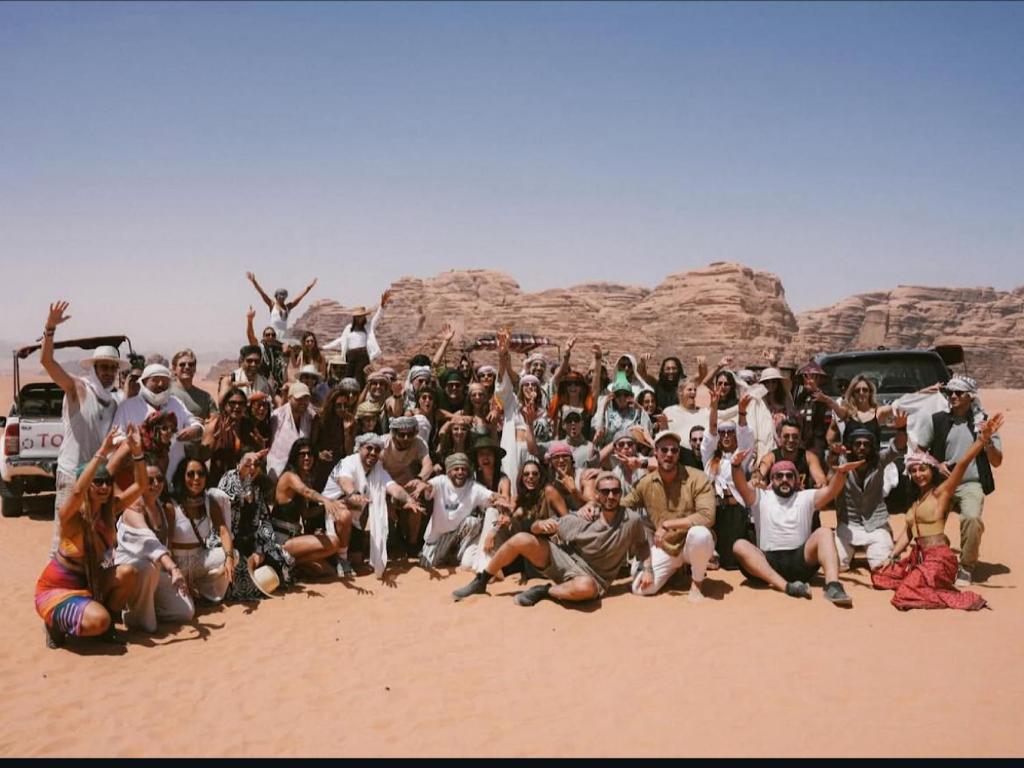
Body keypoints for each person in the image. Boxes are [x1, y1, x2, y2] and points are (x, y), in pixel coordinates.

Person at [452, 472, 651, 607]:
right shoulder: (583, 517)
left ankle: (545, 591)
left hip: (594, 579)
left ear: (620, 493)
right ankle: (482, 580)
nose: (611, 496)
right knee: (521, 538)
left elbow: (643, 544)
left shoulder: (631, 520)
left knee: (586, 587)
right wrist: (540, 525)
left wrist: (647, 568)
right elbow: (538, 527)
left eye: (615, 491)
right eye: (605, 491)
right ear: (597, 495)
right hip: (564, 561)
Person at [870, 413, 1003, 611]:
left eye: (922, 469)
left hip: (940, 558)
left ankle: (959, 596)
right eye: (914, 471)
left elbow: (962, 463)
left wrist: (982, 440)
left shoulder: (941, 493)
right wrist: (892, 557)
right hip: (919, 556)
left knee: (904, 594)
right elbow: (908, 533)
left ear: (932, 470)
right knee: (880, 575)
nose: (918, 475)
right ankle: (921, 579)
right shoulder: (915, 502)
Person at [35, 427, 145, 648]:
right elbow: (76, 492)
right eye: (97, 482)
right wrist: (102, 452)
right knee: (99, 620)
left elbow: (141, 486)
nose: (104, 486)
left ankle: (106, 628)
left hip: (91, 583)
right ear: (87, 486)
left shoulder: (108, 511)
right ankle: (54, 624)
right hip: (58, 590)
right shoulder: (70, 518)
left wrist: (138, 453)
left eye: (107, 481)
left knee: (128, 573)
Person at [41, 302, 126, 556]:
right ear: (94, 368)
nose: (109, 372)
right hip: (71, 478)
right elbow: (47, 362)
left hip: (97, 482)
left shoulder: (114, 403)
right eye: (104, 367)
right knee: (64, 541)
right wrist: (50, 328)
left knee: (92, 542)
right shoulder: (78, 389)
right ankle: (54, 592)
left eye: (113, 367)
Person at [729, 450, 863, 605]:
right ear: (772, 480)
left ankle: (833, 586)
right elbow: (741, 486)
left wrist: (842, 473)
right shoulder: (761, 497)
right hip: (767, 563)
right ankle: (787, 587)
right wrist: (736, 465)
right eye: (779, 476)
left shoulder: (806, 496)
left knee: (825, 532)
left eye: (789, 475)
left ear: (796, 480)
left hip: (800, 562)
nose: (784, 479)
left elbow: (831, 491)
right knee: (739, 546)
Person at [914, 376, 1003, 586]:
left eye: (958, 393)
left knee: (972, 520)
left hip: (970, 483)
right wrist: (936, 465)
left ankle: (966, 566)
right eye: (949, 393)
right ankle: (931, 560)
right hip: (942, 483)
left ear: (970, 397)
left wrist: (987, 441)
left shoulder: (984, 423)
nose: (952, 396)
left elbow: (997, 461)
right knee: (928, 520)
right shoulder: (937, 420)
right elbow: (919, 451)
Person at [617, 431, 716, 601]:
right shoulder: (646, 483)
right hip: (665, 546)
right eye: (664, 450)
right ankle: (675, 571)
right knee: (641, 589)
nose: (669, 454)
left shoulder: (697, 478)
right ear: (655, 452)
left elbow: (707, 517)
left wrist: (667, 525)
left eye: (674, 450)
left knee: (700, 534)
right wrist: (590, 504)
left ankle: (696, 584)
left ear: (679, 453)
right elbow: (622, 506)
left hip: (689, 544)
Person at [322, 433, 424, 579]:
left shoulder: (378, 470)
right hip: (328, 515)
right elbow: (345, 480)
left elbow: (393, 487)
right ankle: (342, 559)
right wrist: (353, 493)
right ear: (359, 448)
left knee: (360, 564)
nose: (373, 453)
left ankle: (340, 556)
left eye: (377, 450)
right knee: (345, 513)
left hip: (353, 521)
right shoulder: (348, 462)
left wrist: (408, 499)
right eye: (368, 448)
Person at [113, 455, 194, 631]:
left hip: (157, 572)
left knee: (185, 612)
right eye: (149, 480)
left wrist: (175, 574)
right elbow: (150, 542)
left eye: (159, 479)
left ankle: (148, 607)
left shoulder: (163, 508)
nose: (156, 484)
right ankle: (135, 617)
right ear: (139, 482)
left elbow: (168, 543)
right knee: (148, 567)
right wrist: (173, 568)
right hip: (134, 572)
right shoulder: (133, 509)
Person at [831, 414, 909, 572]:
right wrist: (834, 453)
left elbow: (897, 448)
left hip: (875, 525)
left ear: (871, 447)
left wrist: (901, 428)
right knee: (837, 566)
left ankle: (880, 544)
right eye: (857, 444)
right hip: (848, 525)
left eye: (866, 445)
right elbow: (830, 466)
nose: (861, 448)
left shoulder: (879, 460)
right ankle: (849, 554)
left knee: (881, 569)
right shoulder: (843, 462)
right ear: (851, 446)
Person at [218, 452, 295, 599]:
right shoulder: (229, 479)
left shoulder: (258, 490)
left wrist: (260, 550)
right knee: (242, 584)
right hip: (230, 544)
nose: (252, 468)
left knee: (280, 559)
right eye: (248, 464)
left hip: (253, 543)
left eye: (256, 465)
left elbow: (265, 521)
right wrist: (241, 472)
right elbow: (225, 494)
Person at [271, 439, 351, 579]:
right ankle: (285, 563)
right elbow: (306, 492)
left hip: (295, 536)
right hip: (281, 540)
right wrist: (325, 500)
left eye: (310, 454)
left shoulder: (304, 478)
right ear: (295, 457)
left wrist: (333, 505)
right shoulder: (289, 476)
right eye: (302, 454)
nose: (307, 458)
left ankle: (291, 564)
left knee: (327, 571)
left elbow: (306, 514)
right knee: (333, 542)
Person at [113, 364, 204, 486]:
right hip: (140, 479)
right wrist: (139, 444)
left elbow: (194, 422)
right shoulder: (127, 406)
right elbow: (116, 438)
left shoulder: (175, 403)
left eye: (165, 381)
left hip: (174, 477)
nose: (161, 384)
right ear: (144, 382)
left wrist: (196, 429)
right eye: (155, 380)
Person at [419, 454, 514, 570]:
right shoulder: (441, 481)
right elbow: (430, 486)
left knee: (472, 522)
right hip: (438, 537)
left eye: (463, 469)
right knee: (428, 564)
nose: (460, 472)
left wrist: (502, 500)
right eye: (456, 469)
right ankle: (444, 556)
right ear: (449, 471)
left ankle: (456, 556)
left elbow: (491, 495)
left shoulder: (473, 487)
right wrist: (424, 486)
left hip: (457, 534)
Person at [168, 458, 236, 604]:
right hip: (176, 562)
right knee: (186, 611)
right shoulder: (172, 505)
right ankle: (187, 591)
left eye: (201, 473)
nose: (196, 478)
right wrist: (175, 570)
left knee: (233, 554)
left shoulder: (209, 501)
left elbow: (223, 530)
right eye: (190, 474)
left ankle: (203, 592)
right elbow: (166, 544)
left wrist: (229, 558)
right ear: (182, 477)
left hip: (198, 559)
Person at [700, 395, 756, 571]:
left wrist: (741, 411)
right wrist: (714, 407)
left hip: (735, 511)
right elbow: (711, 429)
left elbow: (746, 435)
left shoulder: (740, 456)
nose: (725, 436)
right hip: (712, 510)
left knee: (731, 562)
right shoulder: (709, 458)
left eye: (730, 432)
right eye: (722, 433)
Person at [323, 290, 391, 389]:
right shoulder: (348, 329)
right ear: (354, 318)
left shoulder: (368, 327)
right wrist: (325, 347)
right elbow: (339, 340)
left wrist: (382, 306)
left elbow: (377, 318)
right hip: (350, 356)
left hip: (363, 356)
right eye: (358, 317)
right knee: (347, 378)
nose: (360, 319)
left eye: (362, 316)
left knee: (361, 379)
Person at [753, 418, 827, 491]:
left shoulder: (809, 457)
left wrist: (821, 484)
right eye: (786, 436)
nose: (791, 440)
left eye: (795, 437)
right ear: (779, 437)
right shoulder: (770, 457)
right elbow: (760, 474)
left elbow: (820, 478)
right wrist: (757, 479)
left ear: (800, 438)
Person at [246, 271, 318, 344]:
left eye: (284, 295)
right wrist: (254, 281)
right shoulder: (272, 305)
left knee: (297, 346)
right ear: (276, 296)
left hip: (283, 337)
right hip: (272, 335)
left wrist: (309, 288)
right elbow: (262, 293)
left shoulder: (287, 307)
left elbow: (299, 298)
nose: (282, 297)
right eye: (280, 295)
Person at [266, 382, 317, 481]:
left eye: (306, 399)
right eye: (299, 399)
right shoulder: (278, 416)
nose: (303, 402)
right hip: (278, 468)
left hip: (300, 469)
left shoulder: (310, 416)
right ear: (289, 398)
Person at [245, 307, 289, 394]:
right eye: (268, 335)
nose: (270, 337)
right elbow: (251, 337)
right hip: (262, 386)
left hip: (279, 388)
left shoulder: (280, 349)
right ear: (264, 337)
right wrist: (250, 321)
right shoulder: (261, 348)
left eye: (273, 335)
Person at [170, 348, 217, 420]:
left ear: (195, 368)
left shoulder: (205, 398)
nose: (187, 367)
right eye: (182, 364)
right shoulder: (165, 394)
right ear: (174, 369)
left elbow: (214, 421)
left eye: (191, 364)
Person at [663, 378, 709, 446]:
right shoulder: (669, 412)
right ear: (680, 392)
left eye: (695, 390)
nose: (693, 392)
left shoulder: (705, 412)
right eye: (689, 390)